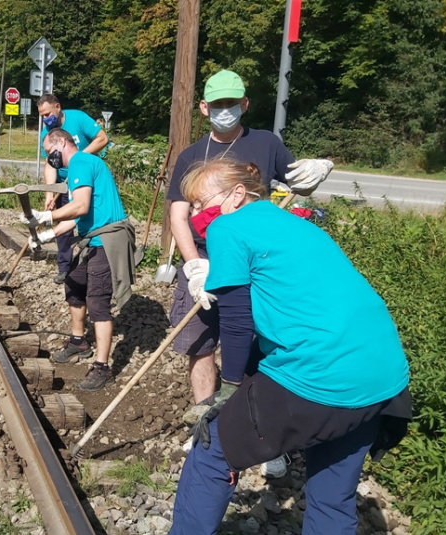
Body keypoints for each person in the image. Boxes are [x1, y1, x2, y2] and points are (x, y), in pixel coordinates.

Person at [169, 159, 411, 535]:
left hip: (322, 372)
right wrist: (248, 376)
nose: (196, 213)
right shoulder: (297, 224)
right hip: (382, 375)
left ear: (237, 194)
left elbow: (237, 321)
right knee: (332, 497)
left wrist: (229, 389)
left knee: (212, 446)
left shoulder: (226, 227)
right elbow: (282, 321)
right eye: (193, 205)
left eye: (201, 202)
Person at [166, 69, 333, 477]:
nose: (224, 110)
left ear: (244, 104)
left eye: (232, 103)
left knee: (258, 347)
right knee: (201, 346)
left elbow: (297, 184)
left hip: (256, 264)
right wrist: (194, 265)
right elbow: (179, 213)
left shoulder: (266, 144)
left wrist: (318, 170)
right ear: (204, 108)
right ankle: (207, 425)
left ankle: (262, 436)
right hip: (204, 259)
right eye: (217, 104)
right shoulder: (191, 155)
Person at [22, 128, 135, 391]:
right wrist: (46, 235)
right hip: (92, 240)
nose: (49, 158)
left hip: (106, 241)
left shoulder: (81, 162)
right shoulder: (77, 168)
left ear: (62, 143)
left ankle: (102, 367)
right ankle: (78, 342)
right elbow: (77, 216)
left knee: (98, 303)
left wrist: (46, 216)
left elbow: (80, 206)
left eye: (50, 152)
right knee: (73, 282)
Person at [38, 94, 109, 284]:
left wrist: (77, 159)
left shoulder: (78, 118)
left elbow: (102, 138)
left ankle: (94, 259)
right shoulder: (46, 134)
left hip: (86, 181)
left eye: (47, 114)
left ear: (57, 107)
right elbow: (50, 165)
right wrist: (49, 193)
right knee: (64, 223)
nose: (45, 119)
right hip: (64, 184)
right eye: (42, 116)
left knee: (86, 218)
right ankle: (65, 268)